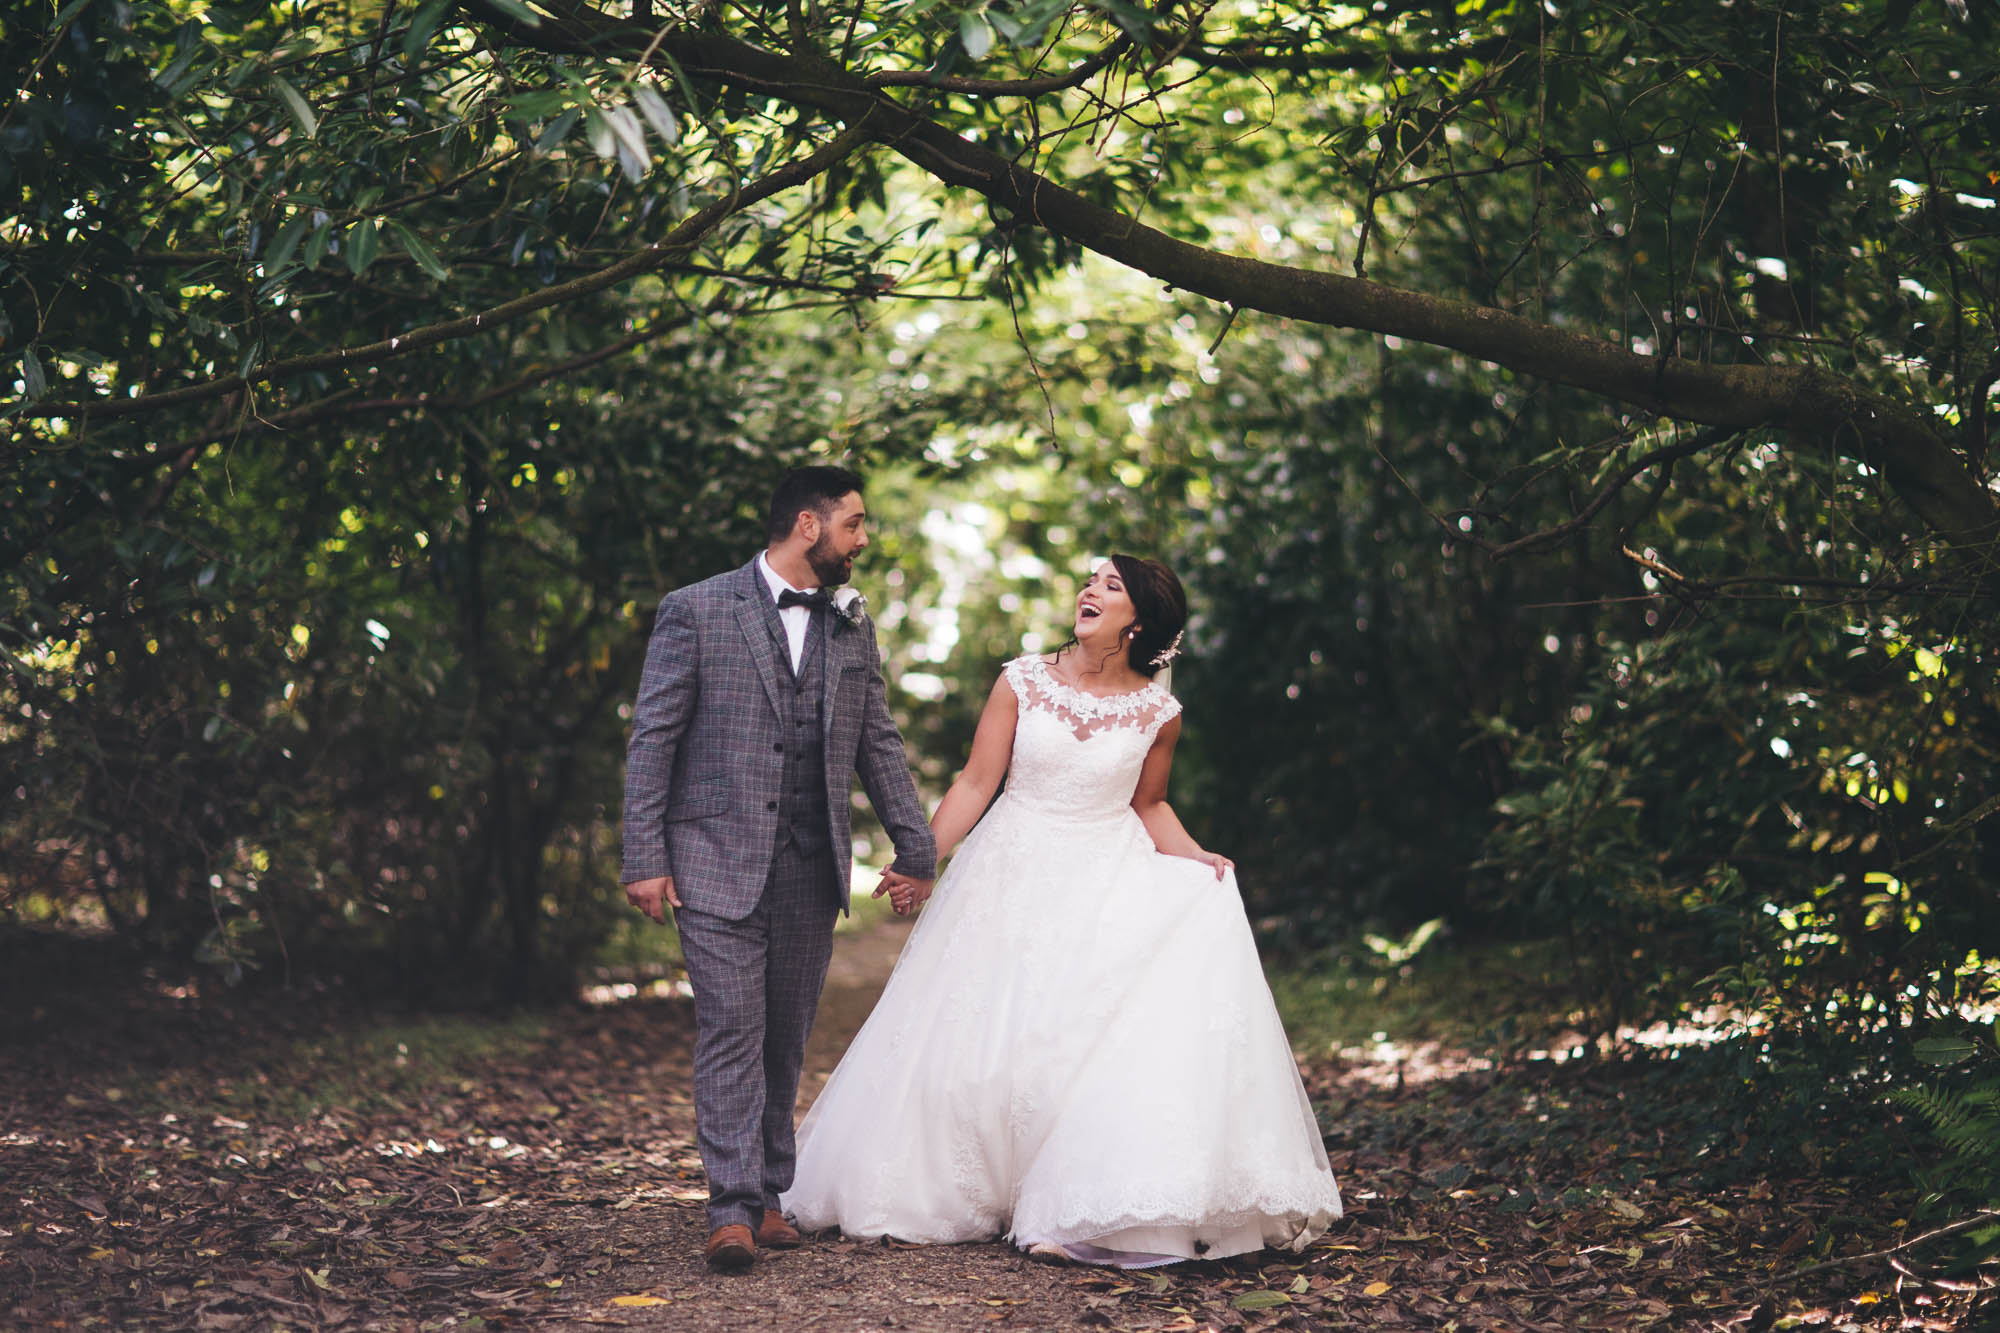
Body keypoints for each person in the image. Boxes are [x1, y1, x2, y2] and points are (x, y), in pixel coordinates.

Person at [781, 555, 1342, 1267]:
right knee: (979, 1036)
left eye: (1111, 585)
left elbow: (1150, 804)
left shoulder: (1159, 713)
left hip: (1107, 882)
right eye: (1090, 580)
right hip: (1008, 871)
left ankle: (1067, 1201)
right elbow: (977, 781)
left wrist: (1199, 858)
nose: (1089, 591)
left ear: (1138, 620)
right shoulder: (1021, 680)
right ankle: (962, 1188)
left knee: (1078, 1043)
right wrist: (923, 859)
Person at [620, 465, 937, 1274]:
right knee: (731, 1025)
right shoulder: (696, 608)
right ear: (808, 524)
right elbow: (654, 735)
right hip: (711, 857)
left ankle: (767, 1192)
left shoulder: (851, 625)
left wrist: (917, 847)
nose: (863, 539)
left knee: (785, 1034)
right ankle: (730, 1208)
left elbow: (877, 741)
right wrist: (644, 855)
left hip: (809, 863)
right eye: (854, 523)